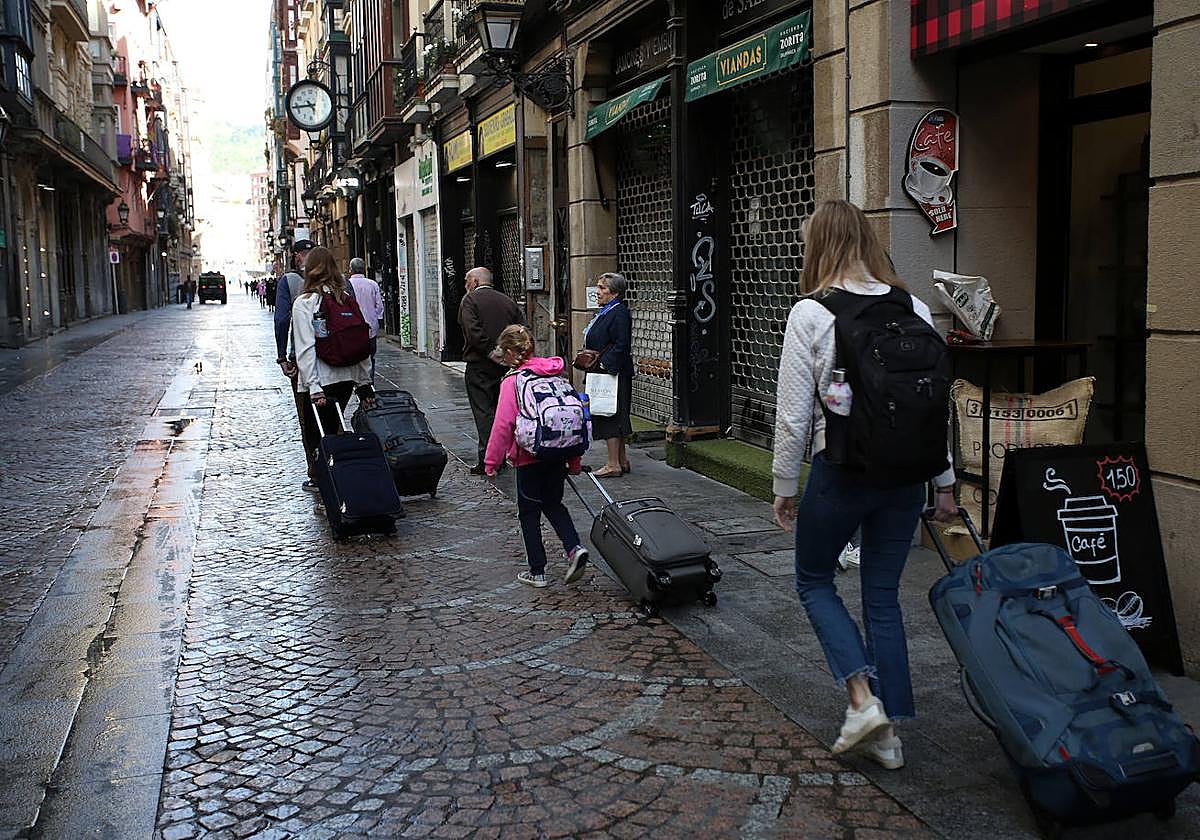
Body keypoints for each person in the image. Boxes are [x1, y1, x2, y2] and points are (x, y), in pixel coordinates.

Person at [771, 199, 957, 771]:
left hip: (843, 471)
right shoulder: (913, 306)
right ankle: (889, 735)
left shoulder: (811, 312)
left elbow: (793, 416)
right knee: (882, 596)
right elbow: (935, 405)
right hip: (906, 477)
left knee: (813, 581)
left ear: (817, 246)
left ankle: (861, 701)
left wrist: (784, 484)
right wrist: (945, 483)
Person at [484, 324, 590, 588]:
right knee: (554, 504)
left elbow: (503, 425)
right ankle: (574, 547)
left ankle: (537, 571)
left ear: (510, 353)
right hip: (558, 453)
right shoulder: (555, 374)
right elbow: (571, 419)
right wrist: (574, 461)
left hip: (528, 456)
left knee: (529, 513)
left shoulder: (513, 382)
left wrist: (491, 462)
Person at [290, 246, 376, 473]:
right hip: (347, 377)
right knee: (333, 429)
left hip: (322, 379)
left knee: (316, 437)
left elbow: (305, 348)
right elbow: (359, 340)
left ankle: (325, 481)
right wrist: (364, 382)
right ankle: (338, 475)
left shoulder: (305, 302)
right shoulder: (345, 299)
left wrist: (313, 386)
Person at [458, 267, 525, 475]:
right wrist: (509, 354)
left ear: (475, 282)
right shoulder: (507, 301)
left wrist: (491, 351)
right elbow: (521, 329)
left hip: (480, 364)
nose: (466, 285)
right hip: (507, 365)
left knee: (484, 411)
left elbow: (473, 332)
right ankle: (506, 454)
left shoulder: (470, 301)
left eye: (467, 280)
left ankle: (489, 459)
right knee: (504, 411)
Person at [273, 239, 318, 490]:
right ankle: (341, 465)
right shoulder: (340, 280)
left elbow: (281, 320)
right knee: (335, 417)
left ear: (297, 256)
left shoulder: (289, 281)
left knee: (307, 420)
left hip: (302, 360)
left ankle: (316, 473)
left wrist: (282, 356)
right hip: (340, 361)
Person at [580, 272, 634, 478]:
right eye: (598, 287)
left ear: (615, 292)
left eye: (602, 288)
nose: (598, 291)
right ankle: (621, 460)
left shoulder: (618, 313)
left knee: (610, 415)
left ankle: (613, 464)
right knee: (614, 414)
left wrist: (603, 364)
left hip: (611, 373)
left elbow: (622, 344)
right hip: (605, 372)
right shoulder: (606, 311)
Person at [347, 257, 384, 383]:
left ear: (350, 269)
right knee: (370, 356)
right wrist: (376, 319)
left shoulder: (347, 285)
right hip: (370, 327)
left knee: (353, 356)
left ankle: (355, 381)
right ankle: (369, 381)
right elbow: (379, 306)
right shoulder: (372, 284)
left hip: (352, 327)